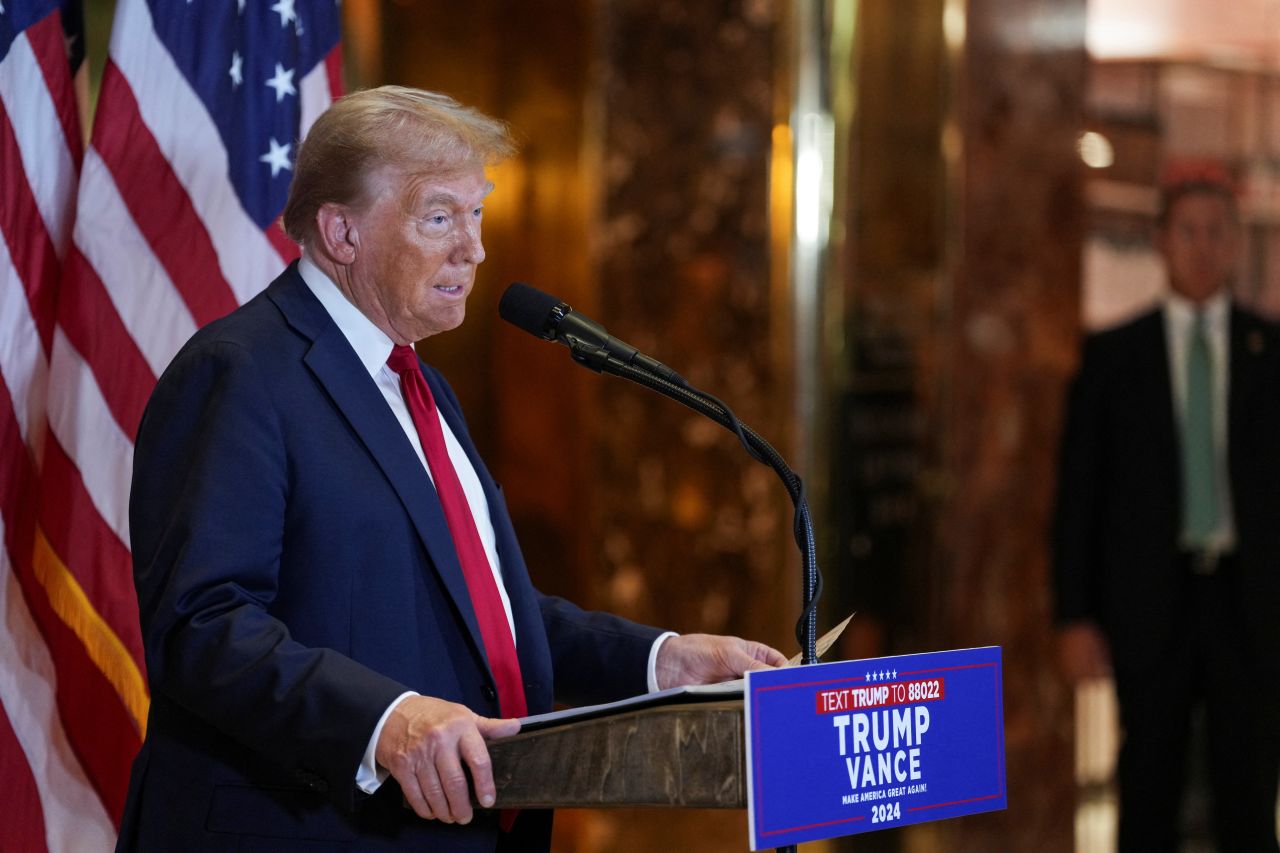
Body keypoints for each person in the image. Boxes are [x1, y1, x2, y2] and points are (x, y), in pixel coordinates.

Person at [116, 86, 787, 852]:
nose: (474, 249)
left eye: (477, 213)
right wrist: (387, 720)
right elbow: (203, 626)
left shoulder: (416, 383)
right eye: (440, 217)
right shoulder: (240, 373)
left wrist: (661, 660)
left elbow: (480, 611)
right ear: (341, 231)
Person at [1052, 162, 1280, 852]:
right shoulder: (1115, 355)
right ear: (1162, 240)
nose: (1203, 245)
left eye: (1217, 231)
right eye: (1188, 231)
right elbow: (1079, 494)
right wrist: (1074, 614)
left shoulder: (1271, 352)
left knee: (1249, 788)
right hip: (1150, 601)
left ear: (1235, 242)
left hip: (1253, 604)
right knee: (1148, 783)